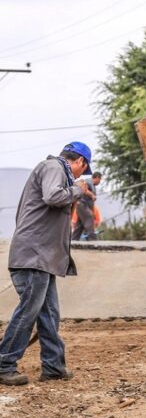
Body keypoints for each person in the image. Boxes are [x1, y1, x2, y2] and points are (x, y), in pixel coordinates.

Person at [0, 142, 92, 385]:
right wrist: (77, 190)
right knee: (29, 311)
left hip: (41, 258)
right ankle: (4, 363)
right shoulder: (54, 167)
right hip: (33, 258)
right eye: (83, 170)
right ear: (80, 162)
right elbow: (53, 197)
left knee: (49, 313)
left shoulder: (52, 169)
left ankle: (53, 366)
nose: (81, 176)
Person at [72, 171, 102, 241]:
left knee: (79, 226)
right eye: (100, 180)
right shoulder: (88, 182)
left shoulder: (93, 185)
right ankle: (92, 240)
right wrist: (92, 195)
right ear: (97, 177)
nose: (99, 182)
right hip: (82, 205)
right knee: (89, 218)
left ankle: (73, 242)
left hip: (84, 206)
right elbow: (84, 190)